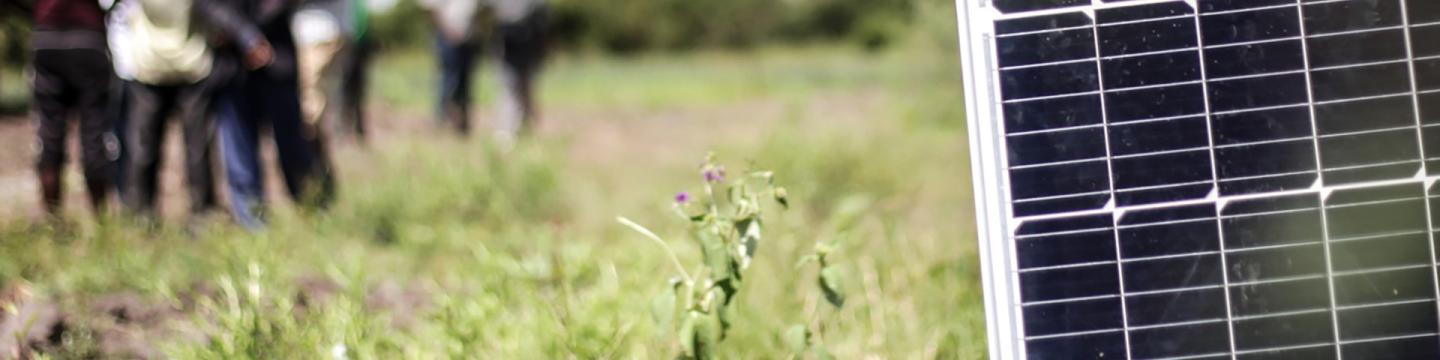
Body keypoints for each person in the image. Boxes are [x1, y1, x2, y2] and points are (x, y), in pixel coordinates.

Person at [198, 0, 334, 229]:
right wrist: (245, 38)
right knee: (238, 151)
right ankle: (252, 222)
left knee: (293, 146)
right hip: (231, 65)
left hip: (275, 58)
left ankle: (312, 212)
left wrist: (254, 40)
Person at [123, 0, 221, 219]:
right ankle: (202, 215)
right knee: (196, 148)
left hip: (155, 66)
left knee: (144, 148)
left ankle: (141, 215)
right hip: (186, 65)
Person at [28, 0, 115, 218]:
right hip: (88, 39)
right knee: (95, 134)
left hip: (48, 39)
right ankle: (100, 219)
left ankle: (53, 220)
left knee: (49, 134)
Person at [419, 0, 482, 134]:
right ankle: (443, 122)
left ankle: (462, 123)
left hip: (469, 38)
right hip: (448, 37)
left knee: (465, 82)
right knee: (449, 81)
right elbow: (432, 10)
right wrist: (449, 31)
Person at [492, 0, 547, 145]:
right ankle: (507, 131)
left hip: (527, 42)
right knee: (510, 90)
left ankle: (525, 127)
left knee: (524, 89)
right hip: (509, 45)